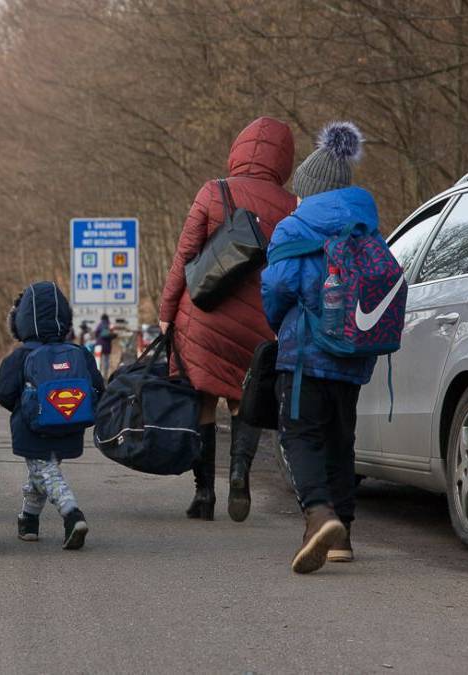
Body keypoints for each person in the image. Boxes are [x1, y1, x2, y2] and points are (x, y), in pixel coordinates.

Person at [158, 117, 296, 522]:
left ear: (238, 150)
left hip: (204, 315)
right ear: (284, 160)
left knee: (203, 399)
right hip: (257, 323)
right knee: (242, 400)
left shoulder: (213, 192)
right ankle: (239, 474)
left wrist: (166, 314)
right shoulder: (291, 206)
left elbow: (184, 258)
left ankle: (204, 495)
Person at [261, 121, 376, 573]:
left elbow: (277, 287)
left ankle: (318, 515)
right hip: (352, 354)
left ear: (308, 189)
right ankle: (343, 533)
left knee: (300, 436)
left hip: (305, 353)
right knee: (340, 440)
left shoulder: (294, 227)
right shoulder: (367, 225)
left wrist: (278, 326)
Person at [0, 282, 105, 550]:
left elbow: (2, 391)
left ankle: (71, 513)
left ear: (21, 321)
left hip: (33, 428)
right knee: (43, 471)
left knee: (45, 471)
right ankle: (28, 519)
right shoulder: (79, 354)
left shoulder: (22, 356)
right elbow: (98, 389)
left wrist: (24, 408)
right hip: (70, 425)